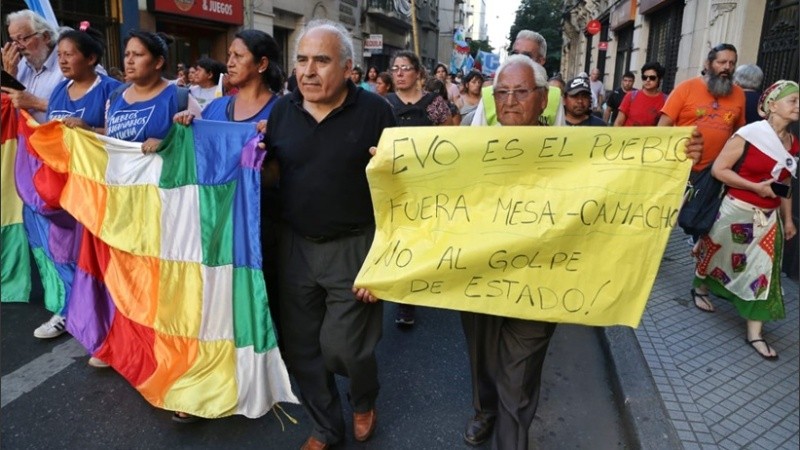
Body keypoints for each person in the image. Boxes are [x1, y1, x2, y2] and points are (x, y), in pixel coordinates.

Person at [262, 19, 395, 450]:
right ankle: (325, 426)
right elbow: (275, 173)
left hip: (355, 246)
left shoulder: (376, 112)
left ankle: (363, 397)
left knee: (344, 348)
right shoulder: (282, 110)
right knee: (301, 347)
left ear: (348, 69)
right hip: (295, 247)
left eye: (321, 60)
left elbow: (402, 191)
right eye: (301, 60)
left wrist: (387, 261)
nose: (308, 71)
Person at [692, 80, 798, 360]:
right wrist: (756, 188)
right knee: (717, 256)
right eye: (793, 101)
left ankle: (755, 333)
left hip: (767, 218)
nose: (798, 106)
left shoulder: (792, 143)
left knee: (763, 272)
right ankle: (701, 287)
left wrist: (788, 219)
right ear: (773, 105)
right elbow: (719, 170)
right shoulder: (749, 134)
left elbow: (784, 183)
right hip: (735, 211)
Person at [385, 51, 451, 326]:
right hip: (392, 182)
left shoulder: (434, 103)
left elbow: (449, 137)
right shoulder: (383, 104)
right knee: (396, 239)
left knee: (417, 239)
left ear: (418, 74)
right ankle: (402, 290)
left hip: (424, 184)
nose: (399, 73)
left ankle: (408, 298)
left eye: (405, 68)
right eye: (395, 69)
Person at [659, 43, 746, 183]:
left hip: (716, 173)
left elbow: (739, 132)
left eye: (732, 63)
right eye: (722, 62)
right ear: (707, 64)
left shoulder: (739, 94)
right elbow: (661, 129)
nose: (727, 67)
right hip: (681, 168)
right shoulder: (685, 88)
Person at [465, 30, 563, 127]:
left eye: (522, 92)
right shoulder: (488, 94)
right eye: (502, 92)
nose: (510, 102)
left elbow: (561, 138)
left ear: (543, 99)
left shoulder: (554, 97)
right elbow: (477, 138)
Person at [2, 10, 64, 124]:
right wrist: (9, 75)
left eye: (23, 39)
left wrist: (36, 103)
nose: (19, 47)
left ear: (45, 36)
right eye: (14, 41)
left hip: (58, 139)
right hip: (24, 139)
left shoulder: (68, 64)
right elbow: (6, 109)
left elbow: (84, 111)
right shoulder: (20, 65)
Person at [615, 62, 667, 127]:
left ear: (659, 79)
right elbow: (618, 123)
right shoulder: (631, 96)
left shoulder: (665, 101)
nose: (648, 80)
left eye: (652, 78)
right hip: (628, 136)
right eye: (644, 77)